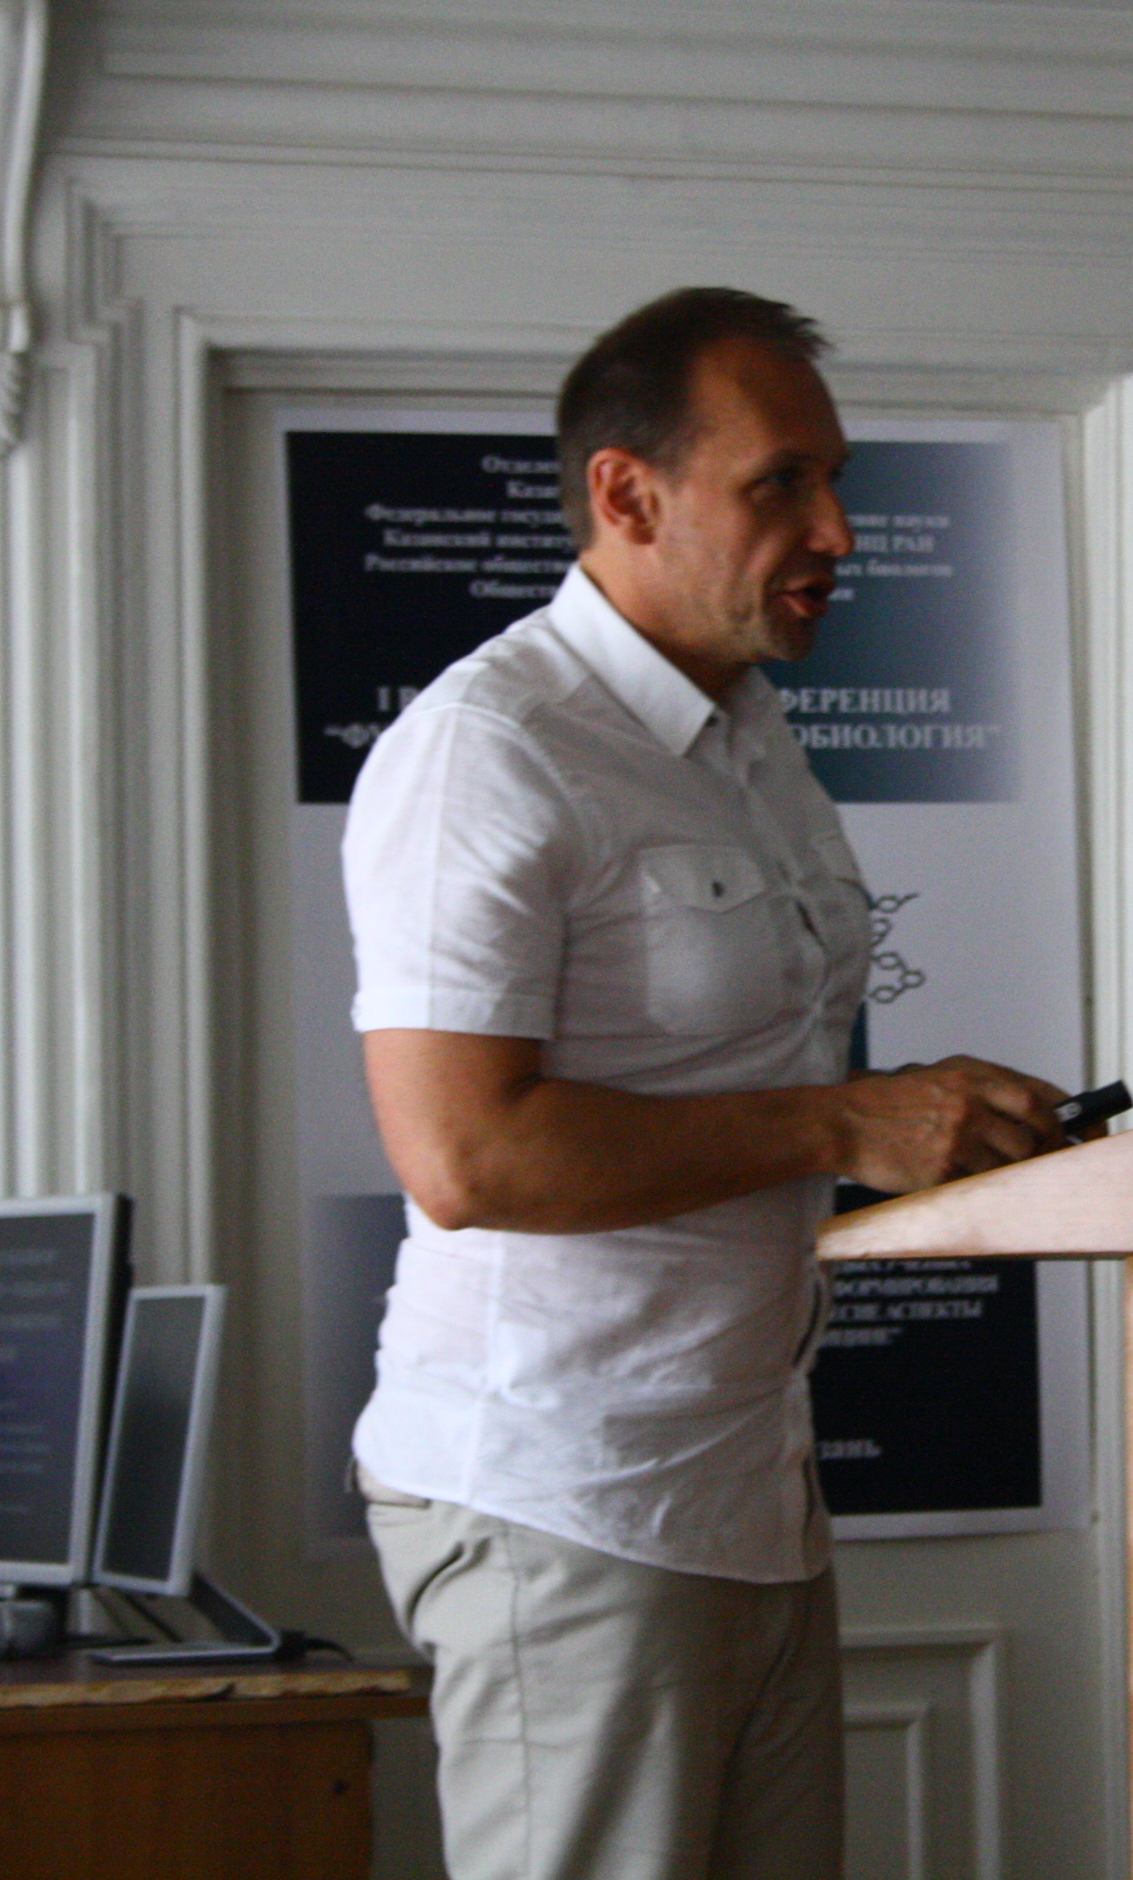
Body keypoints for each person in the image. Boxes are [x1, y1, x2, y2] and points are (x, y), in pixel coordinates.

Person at [342, 287, 1075, 1880]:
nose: (838, 532)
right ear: (628, 494)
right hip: (565, 1500)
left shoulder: (754, 741)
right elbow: (465, 1157)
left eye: (837, 481)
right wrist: (848, 1123)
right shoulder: (489, 747)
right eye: (780, 485)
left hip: (749, 1491)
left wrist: (942, 1132)